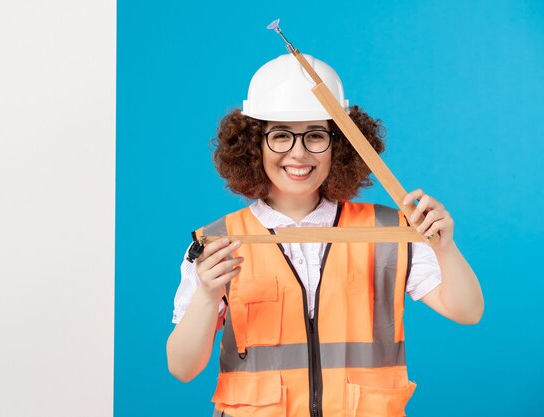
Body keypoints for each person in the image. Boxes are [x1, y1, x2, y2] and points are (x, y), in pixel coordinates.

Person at [166, 53, 484, 417]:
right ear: (254, 144)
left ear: (341, 145)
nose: (298, 153)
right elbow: (182, 368)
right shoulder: (218, 241)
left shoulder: (390, 231)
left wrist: (445, 247)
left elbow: (468, 311)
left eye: (316, 136)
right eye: (281, 136)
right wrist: (207, 296)